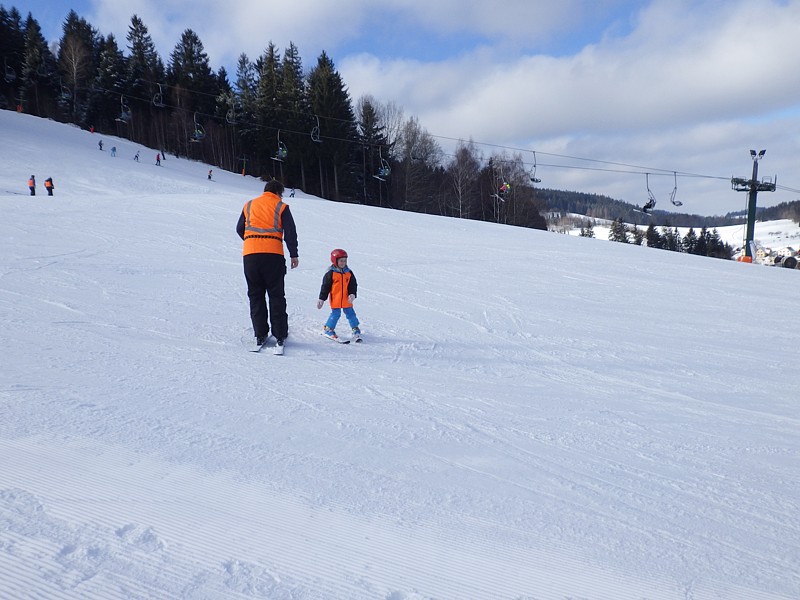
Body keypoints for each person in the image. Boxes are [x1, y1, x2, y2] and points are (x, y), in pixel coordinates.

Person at [236, 179, 299, 350]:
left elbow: (239, 228)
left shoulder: (249, 205)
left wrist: (251, 240)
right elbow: (290, 232)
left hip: (250, 255)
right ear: (278, 193)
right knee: (276, 295)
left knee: (255, 295)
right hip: (273, 255)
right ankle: (280, 334)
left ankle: (260, 333)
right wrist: (294, 254)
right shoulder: (281, 206)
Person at [317, 248, 361, 342]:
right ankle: (328, 329)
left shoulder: (348, 272)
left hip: (347, 299)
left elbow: (353, 284)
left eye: (344, 261)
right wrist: (322, 299)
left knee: (351, 314)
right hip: (336, 298)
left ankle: (355, 329)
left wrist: (352, 294)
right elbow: (325, 287)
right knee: (336, 314)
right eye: (341, 261)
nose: (343, 263)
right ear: (335, 261)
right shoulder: (331, 273)